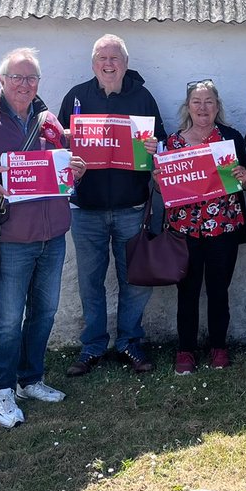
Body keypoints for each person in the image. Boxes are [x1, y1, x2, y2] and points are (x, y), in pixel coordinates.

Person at [0, 48, 87, 428]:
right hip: (13, 236)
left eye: (31, 78)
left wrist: (74, 169)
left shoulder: (50, 121)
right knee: (8, 319)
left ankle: (31, 379)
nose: (24, 84)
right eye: (17, 77)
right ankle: (2, 390)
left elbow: (61, 170)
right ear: (2, 80)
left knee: (45, 312)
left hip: (53, 234)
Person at [59, 35, 166, 375]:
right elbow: (59, 149)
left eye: (115, 58)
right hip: (85, 209)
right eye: (102, 58)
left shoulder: (142, 97)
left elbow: (160, 147)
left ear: (125, 63)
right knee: (90, 282)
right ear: (93, 64)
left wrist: (154, 148)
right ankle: (92, 347)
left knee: (134, 280)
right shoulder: (76, 96)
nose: (108, 63)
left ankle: (129, 344)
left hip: (131, 208)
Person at [162, 80, 246, 374]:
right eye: (197, 102)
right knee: (187, 291)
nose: (203, 108)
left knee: (219, 290)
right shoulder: (172, 142)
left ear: (218, 106)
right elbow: (163, 188)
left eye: (209, 102)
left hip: (223, 228)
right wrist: (159, 181)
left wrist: (243, 176)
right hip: (185, 231)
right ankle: (186, 350)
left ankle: (219, 347)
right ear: (187, 106)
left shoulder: (231, 137)